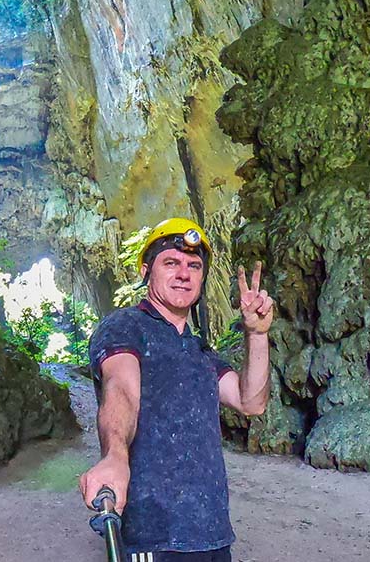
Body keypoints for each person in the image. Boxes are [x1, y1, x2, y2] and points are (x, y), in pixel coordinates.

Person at [79, 218, 275, 562]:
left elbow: (251, 401)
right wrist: (114, 457)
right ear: (145, 271)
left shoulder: (201, 352)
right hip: (155, 537)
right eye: (171, 262)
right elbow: (121, 388)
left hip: (213, 535)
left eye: (194, 266)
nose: (184, 273)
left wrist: (257, 334)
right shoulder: (125, 327)